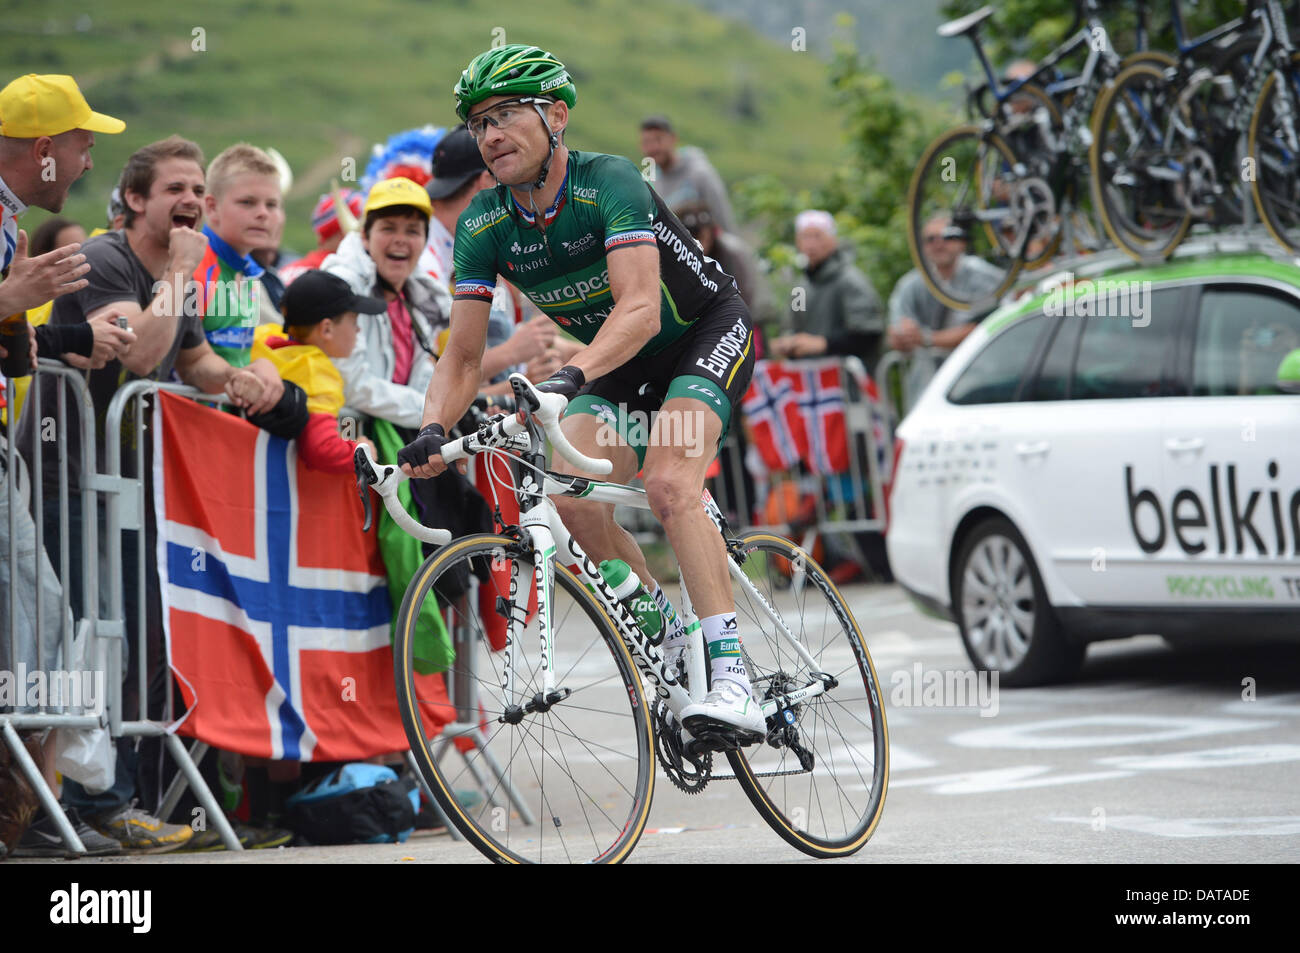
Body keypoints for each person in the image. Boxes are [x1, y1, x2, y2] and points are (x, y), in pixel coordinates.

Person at [400, 44, 767, 741]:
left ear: (557, 115)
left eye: (506, 114)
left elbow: (641, 309)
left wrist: (569, 377)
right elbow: (464, 354)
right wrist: (431, 429)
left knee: (668, 482)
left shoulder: (611, 182)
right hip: (620, 367)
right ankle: (667, 634)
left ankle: (733, 675)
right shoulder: (484, 223)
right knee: (571, 492)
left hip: (701, 333)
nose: (490, 135)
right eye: (479, 123)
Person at [18, 135, 281, 852]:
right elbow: (136, 350)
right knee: (83, 634)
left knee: (132, 636)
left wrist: (238, 377)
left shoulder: (175, 270)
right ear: (135, 199)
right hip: (65, 473)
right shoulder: (108, 259)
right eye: (175, 190)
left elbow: (186, 355)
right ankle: (62, 806)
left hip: (127, 484)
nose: (192, 202)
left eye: (198, 189)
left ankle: (111, 800)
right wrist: (177, 276)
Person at [419, 124, 570, 385]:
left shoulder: (470, 245)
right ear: (486, 182)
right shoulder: (422, 263)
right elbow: (425, 381)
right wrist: (511, 354)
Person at [252, 270, 380, 472]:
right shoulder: (317, 372)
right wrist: (361, 451)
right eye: (354, 321)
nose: (358, 330)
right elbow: (321, 449)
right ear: (326, 329)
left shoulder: (263, 337)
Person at [192, 144, 286, 380]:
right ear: (211, 207)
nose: (263, 213)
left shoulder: (250, 273)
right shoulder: (194, 266)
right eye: (247, 202)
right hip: (186, 414)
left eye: (272, 204)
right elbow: (185, 365)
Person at [769, 209, 884, 367]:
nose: (811, 244)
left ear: (833, 240)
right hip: (811, 382)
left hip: (847, 381)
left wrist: (823, 344)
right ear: (798, 242)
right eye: (805, 237)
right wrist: (787, 343)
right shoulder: (800, 288)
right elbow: (794, 324)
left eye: (817, 236)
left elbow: (868, 333)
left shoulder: (850, 281)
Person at [887, 213, 1005, 356]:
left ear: (961, 242)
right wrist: (902, 336)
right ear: (922, 247)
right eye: (930, 239)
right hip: (930, 374)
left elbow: (985, 327)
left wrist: (926, 338)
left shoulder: (983, 276)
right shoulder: (911, 285)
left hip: (979, 367)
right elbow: (895, 332)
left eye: (946, 237)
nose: (938, 244)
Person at [675, 203, 773, 333]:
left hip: (736, 322)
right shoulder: (675, 253)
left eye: (704, 233)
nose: (700, 239)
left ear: (712, 232)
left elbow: (749, 296)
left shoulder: (732, 253)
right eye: (693, 233)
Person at [638, 114, 736, 233]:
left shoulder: (700, 174)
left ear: (673, 139)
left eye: (658, 140)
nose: (653, 148)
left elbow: (722, 218)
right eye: (647, 142)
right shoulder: (650, 183)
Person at [278, 189, 364, 286]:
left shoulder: (282, 272)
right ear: (343, 231)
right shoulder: (343, 275)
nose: (364, 234)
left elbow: (258, 300)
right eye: (361, 223)